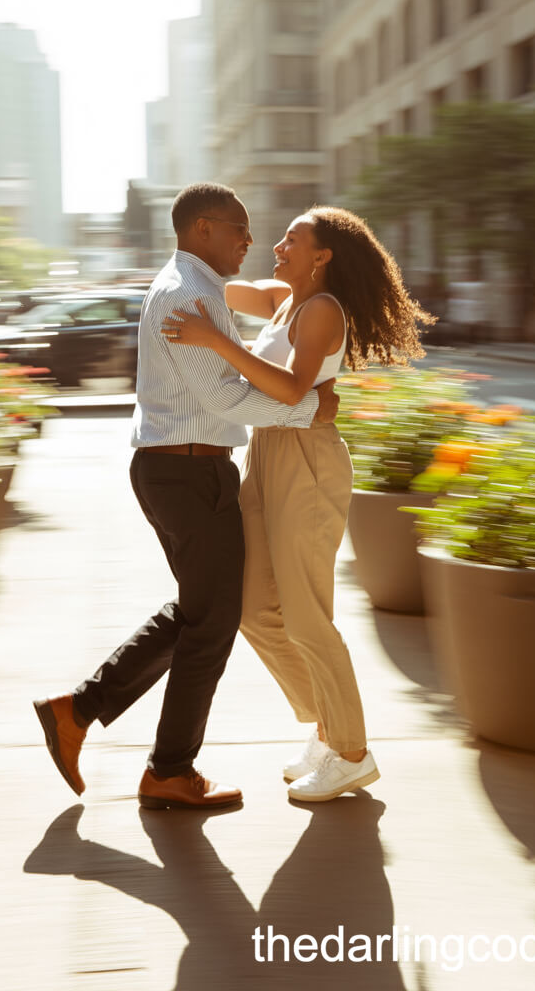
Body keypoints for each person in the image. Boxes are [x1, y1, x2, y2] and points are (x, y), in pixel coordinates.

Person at [33, 183, 338, 811]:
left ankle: (78, 712)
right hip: (188, 474)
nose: (249, 240)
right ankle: (168, 768)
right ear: (203, 227)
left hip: (184, 470)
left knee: (202, 611)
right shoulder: (188, 295)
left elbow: (235, 366)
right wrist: (309, 409)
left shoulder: (198, 287)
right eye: (238, 228)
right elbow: (224, 397)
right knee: (214, 621)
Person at [161, 206, 431, 802]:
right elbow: (223, 286)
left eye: (292, 239)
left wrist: (214, 340)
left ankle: (351, 752)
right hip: (266, 453)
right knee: (254, 607)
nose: (277, 245)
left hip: (308, 459)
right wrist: (181, 266)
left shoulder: (322, 310)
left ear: (322, 255)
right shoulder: (286, 299)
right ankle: (330, 727)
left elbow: (291, 389)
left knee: (307, 614)